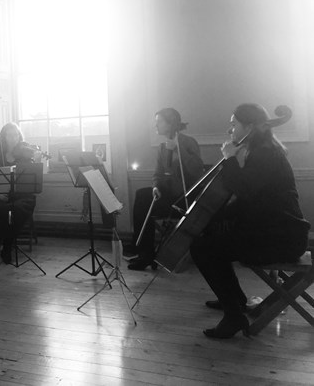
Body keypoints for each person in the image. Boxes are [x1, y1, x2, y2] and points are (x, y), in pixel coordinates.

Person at [190, 103, 310, 339]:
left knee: (202, 248)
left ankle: (233, 314)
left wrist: (229, 159)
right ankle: (234, 300)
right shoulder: (263, 151)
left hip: (282, 239)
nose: (230, 130)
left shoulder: (266, 154)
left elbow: (245, 190)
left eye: (234, 124)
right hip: (274, 233)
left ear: (250, 127)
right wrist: (213, 216)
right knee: (210, 240)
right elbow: (251, 200)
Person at [127, 108, 204, 270]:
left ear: (171, 124)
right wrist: (156, 186)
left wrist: (178, 149)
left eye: (159, 122)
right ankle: (145, 253)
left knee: (143, 201)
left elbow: (196, 170)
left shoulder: (189, 142)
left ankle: (142, 251)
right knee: (142, 195)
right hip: (167, 195)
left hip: (185, 197)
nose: (155, 125)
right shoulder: (162, 147)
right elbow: (157, 174)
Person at [0, 122, 39, 264]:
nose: (13, 138)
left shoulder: (25, 153)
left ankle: (7, 245)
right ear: (3, 137)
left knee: (18, 208)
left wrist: (35, 160)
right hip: (4, 193)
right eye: (9, 135)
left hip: (23, 194)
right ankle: (4, 241)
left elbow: (31, 176)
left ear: (19, 136)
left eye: (16, 135)